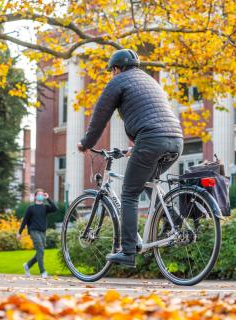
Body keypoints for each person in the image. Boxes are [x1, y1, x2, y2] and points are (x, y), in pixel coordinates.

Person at [78, 49, 184, 268]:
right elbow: (151, 113)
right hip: (176, 139)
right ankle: (173, 220)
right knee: (147, 181)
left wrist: (86, 143)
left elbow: (100, 117)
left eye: (111, 71)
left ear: (116, 69)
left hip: (152, 139)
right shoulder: (151, 82)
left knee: (128, 193)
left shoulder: (118, 82)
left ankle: (127, 252)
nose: (111, 75)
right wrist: (136, 146)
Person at [17, 189, 58, 278]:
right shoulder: (31, 208)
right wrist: (19, 232)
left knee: (40, 252)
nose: (40, 196)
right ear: (35, 196)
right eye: (38, 194)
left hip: (43, 232)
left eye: (42, 195)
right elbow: (25, 221)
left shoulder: (45, 207)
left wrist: (48, 199)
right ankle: (42, 271)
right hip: (33, 231)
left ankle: (27, 265)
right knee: (40, 249)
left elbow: (55, 209)